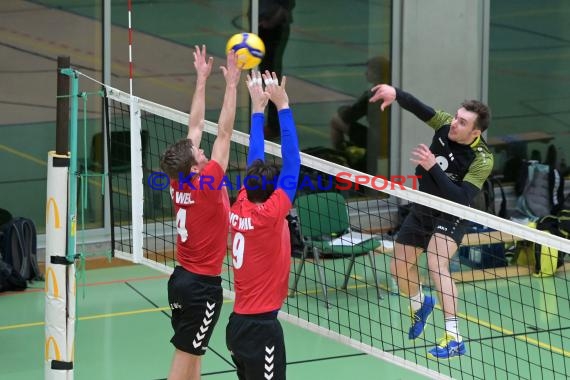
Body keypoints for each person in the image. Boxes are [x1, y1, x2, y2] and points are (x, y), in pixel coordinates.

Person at [370, 84, 493, 359]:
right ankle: (420, 304)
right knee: (399, 269)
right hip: (424, 207)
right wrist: (396, 93)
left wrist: (432, 167)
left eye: (462, 122)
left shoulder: (482, 159)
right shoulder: (444, 124)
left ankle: (454, 337)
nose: (455, 123)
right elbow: (419, 107)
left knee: (436, 263)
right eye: (456, 116)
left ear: (476, 132)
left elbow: (461, 198)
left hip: (453, 213)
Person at [159, 46, 241, 380]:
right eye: (198, 151)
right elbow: (223, 132)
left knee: (195, 356)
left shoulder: (178, 180)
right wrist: (232, 84)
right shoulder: (207, 183)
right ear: (195, 167)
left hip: (180, 281)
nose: (200, 146)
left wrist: (202, 79)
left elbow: (194, 124)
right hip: (202, 288)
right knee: (184, 358)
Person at [226, 70, 300, 379]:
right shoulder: (269, 215)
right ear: (273, 195)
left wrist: (258, 109)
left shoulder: (241, 201)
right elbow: (293, 161)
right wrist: (282, 105)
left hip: (239, 326)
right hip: (260, 330)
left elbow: (255, 155)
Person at [330, 56, 390, 173]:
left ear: (377, 74)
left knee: (335, 121)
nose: (365, 73)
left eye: (369, 70)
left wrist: (342, 108)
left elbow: (348, 116)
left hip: (376, 141)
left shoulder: (373, 94)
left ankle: (341, 157)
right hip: (388, 139)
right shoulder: (393, 89)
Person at [257, 0, 296, 140]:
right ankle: (268, 121)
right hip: (259, 26)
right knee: (263, 74)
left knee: (271, 74)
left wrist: (272, 21)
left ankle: (274, 126)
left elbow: (288, 4)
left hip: (274, 28)